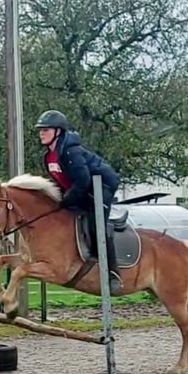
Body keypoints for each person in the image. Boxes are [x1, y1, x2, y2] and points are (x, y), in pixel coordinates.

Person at [34, 109, 123, 295]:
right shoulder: (48, 156)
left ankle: (113, 273)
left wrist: (67, 199)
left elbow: (83, 181)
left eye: (46, 130)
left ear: (58, 132)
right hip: (83, 189)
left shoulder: (70, 152)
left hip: (102, 187)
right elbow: (61, 182)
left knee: (96, 225)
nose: (41, 133)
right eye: (40, 130)